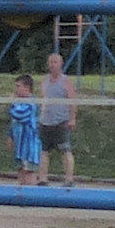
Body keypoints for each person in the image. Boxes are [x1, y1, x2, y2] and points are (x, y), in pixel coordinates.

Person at [38, 51, 78, 188]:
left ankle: (69, 179)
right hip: (45, 122)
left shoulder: (66, 81)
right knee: (43, 151)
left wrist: (72, 119)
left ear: (61, 64)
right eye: (50, 62)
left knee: (65, 151)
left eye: (55, 62)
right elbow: (43, 99)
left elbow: (72, 101)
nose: (52, 65)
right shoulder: (44, 81)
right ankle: (43, 179)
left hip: (61, 122)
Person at [8, 74, 42, 187]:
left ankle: (32, 194)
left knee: (29, 172)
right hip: (19, 145)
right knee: (20, 171)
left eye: (18, 86)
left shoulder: (32, 103)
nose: (15, 89)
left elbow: (20, 115)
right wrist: (10, 136)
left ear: (27, 88)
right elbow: (14, 122)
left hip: (29, 145)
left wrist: (12, 103)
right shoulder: (19, 103)